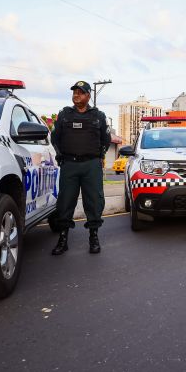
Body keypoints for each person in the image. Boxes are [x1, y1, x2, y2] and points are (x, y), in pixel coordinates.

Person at [50, 80, 111, 255]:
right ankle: (63, 239)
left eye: (81, 92)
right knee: (65, 202)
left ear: (88, 96)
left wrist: (100, 156)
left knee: (94, 202)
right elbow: (55, 138)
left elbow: (106, 140)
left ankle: (94, 237)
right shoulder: (64, 115)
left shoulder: (98, 116)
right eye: (75, 92)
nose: (76, 94)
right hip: (69, 164)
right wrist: (60, 155)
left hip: (91, 165)